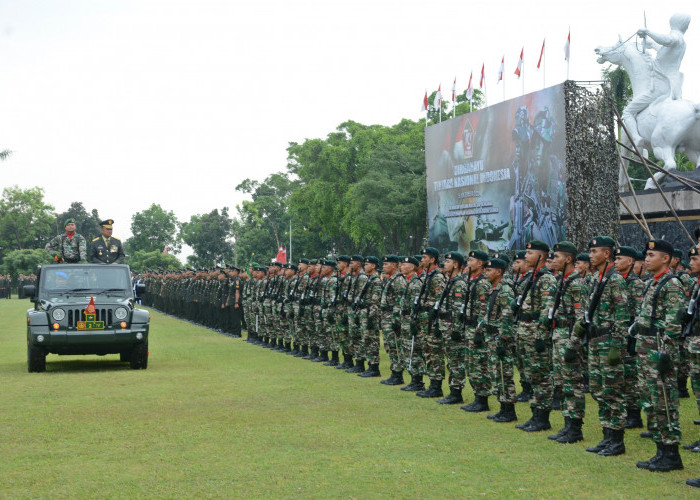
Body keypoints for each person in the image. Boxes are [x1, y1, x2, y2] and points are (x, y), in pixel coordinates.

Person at [635, 239, 685, 472]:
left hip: (658, 349)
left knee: (664, 400)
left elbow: (674, 322)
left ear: (665, 258)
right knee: (651, 400)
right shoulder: (652, 282)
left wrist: (665, 352)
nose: (646, 258)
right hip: (646, 347)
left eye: (651, 255)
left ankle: (671, 453)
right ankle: (660, 450)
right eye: (646, 255)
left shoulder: (671, 283)